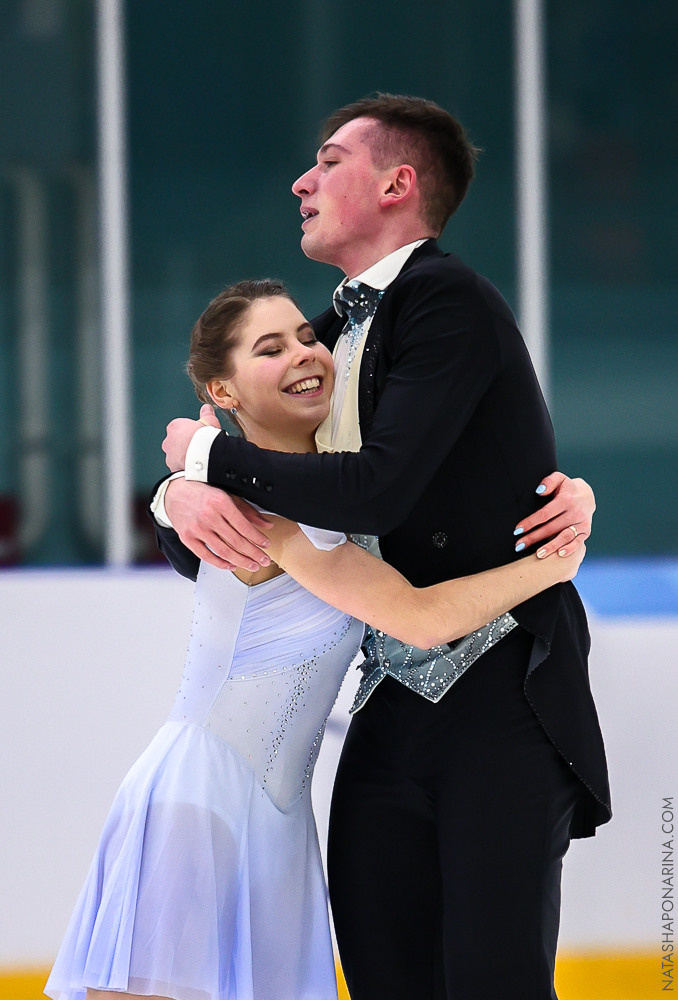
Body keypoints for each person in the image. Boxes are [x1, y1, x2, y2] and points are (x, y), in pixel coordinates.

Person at [154, 95, 611, 1000]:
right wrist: (180, 497)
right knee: (384, 975)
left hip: (502, 699)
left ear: (397, 184)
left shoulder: (446, 301)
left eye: (327, 161)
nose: (302, 180)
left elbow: (380, 486)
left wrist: (207, 454)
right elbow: (250, 479)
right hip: (391, 707)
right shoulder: (336, 330)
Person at [44, 281, 584, 1000]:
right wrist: (553, 567)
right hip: (201, 799)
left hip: (278, 814)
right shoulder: (255, 510)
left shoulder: (348, 498)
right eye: (270, 348)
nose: (304, 354)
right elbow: (417, 617)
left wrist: (572, 496)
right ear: (223, 391)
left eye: (306, 337)